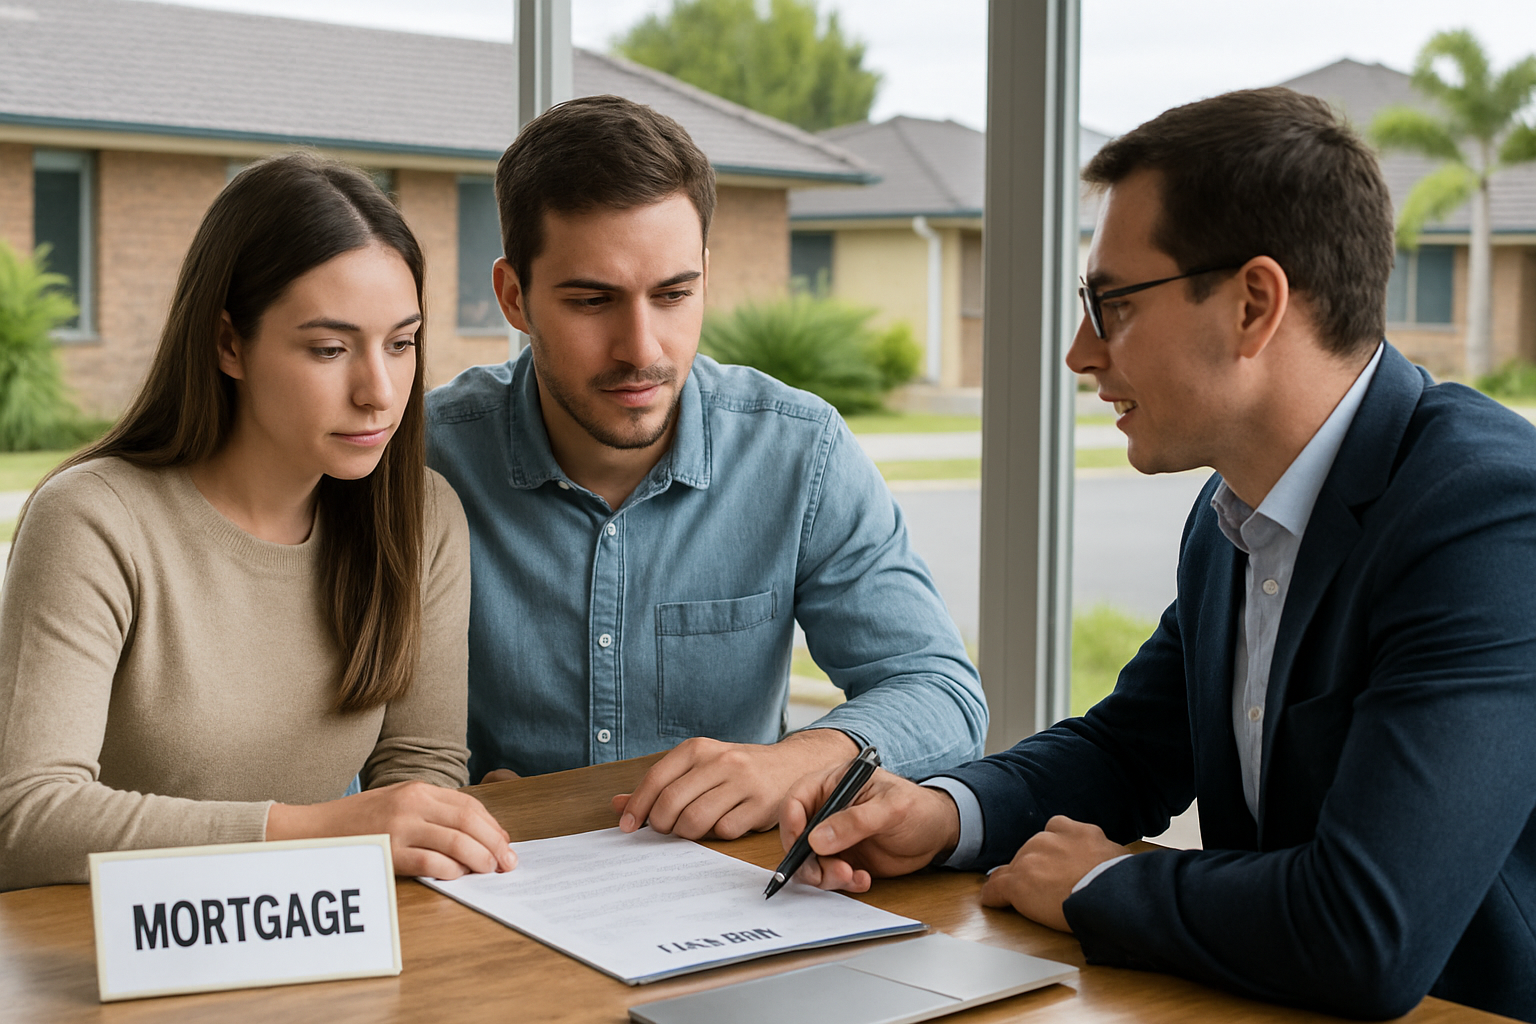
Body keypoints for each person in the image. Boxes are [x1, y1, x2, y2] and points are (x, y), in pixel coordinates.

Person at [779, 88, 1536, 1023]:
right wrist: (942, 814)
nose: (1078, 352)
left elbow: (1368, 929)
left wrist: (1100, 885)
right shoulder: (1234, 513)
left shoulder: (1489, 517)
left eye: (1112, 304)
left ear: (1254, 304)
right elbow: (1129, 749)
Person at [425, 94, 986, 841]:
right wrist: (439, 791)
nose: (642, 349)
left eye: (674, 294)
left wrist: (797, 762)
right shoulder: (421, 459)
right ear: (513, 297)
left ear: (705, 279)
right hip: (483, 892)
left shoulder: (798, 453)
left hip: (728, 905)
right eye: (593, 300)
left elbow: (941, 692)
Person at [0, 154, 516, 891]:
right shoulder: (92, 522)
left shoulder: (421, 515)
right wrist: (318, 832)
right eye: (330, 348)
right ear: (228, 343)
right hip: (114, 959)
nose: (379, 392)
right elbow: (24, 820)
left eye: (401, 343)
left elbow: (419, 773)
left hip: (316, 928)